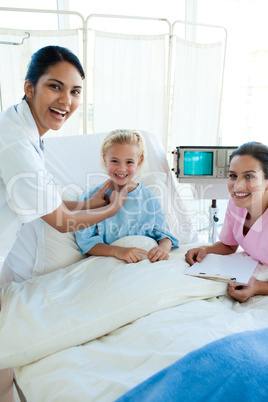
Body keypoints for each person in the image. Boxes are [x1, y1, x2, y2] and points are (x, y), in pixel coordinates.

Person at [0, 46, 127, 402]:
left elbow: (48, 199)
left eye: (74, 92)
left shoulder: (21, 127)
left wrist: (89, 202)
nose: (66, 101)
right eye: (55, 87)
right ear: (30, 87)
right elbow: (59, 221)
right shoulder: (17, 146)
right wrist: (110, 209)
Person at [75, 129, 179, 263]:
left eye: (129, 162)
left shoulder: (148, 197)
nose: (121, 168)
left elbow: (164, 235)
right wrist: (117, 251)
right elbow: (86, 242)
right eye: (114, 161)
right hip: (110, 263)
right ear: (104, 160)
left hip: (145, 261)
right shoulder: (90, 197)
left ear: (139, 162)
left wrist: (163, 248)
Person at [185, 141, 268, 303]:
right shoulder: (237, 203)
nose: (237, 186)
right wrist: (205, 249)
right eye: (233, 176)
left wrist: (258, 287)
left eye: (249, 176)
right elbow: (229, 245)